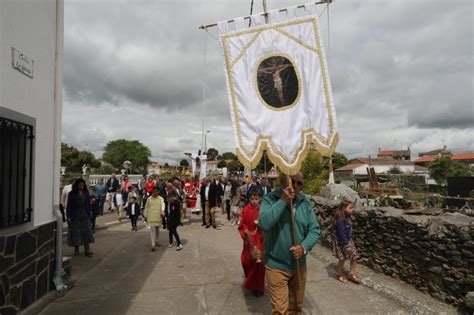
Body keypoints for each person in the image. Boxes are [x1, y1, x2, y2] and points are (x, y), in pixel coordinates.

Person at [259, 172, 320, 314]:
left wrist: (304, 247)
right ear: (284, 182)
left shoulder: (304, 202)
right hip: (276, 265)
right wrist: (282, 201)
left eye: (300, 183)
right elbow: (264, 223)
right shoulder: (270, 199)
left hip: (299, 265)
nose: (297, 186)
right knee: (280, 311)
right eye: (294, 182)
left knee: (296, 307)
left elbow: (314, 230)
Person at [238, 189, 265, 296]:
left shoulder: (262, 211)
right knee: (246, 261)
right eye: (252, 199)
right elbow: (242, 224)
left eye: (256, 199)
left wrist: (262, 225)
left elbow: (267, 222)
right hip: (249, 240)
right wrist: (246, 232)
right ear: (249, 199)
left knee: (259, 264)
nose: (254, 201)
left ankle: (258, 288)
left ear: (260, 199)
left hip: (259, 239)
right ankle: (250, 281)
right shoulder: (245, 210)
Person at [333, 201, 362, 284]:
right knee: (342, 258)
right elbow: (341, 233)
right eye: (350, 208)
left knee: (354, 256)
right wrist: (347, 245)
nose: (352, 210)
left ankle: (352, 273)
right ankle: (339, 274)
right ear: (343, 208)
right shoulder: (340, 220)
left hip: (348, 240)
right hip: (342, 242)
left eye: (353, 208)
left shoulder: (347, 217)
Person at [66, 179, 94, 257]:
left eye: (82, 185)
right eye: (80, 185)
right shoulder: (71, 194)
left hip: (85, 214)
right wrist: (68, 216)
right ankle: (76, 250)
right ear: (77, 185)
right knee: (76, 232)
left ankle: (87, 250)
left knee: (87, 232)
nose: (81, 187)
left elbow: (88, 203)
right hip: (75, 215)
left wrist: (90, 212)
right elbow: (69, 206)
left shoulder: (86, 193)